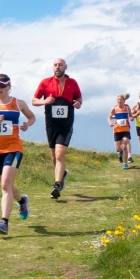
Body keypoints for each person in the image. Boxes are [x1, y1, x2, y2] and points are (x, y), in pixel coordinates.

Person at [0, 73, 36, 235]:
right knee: (6, 185)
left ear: (9, 86)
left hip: (14, 148)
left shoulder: (18, 103)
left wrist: (26, 125)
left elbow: (32, 117)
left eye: (2, 86)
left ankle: (4, 222)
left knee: (4, 185)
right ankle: (22, 200)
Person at [31, 58, 83, 199]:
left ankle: (57, 185)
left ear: (65, 66)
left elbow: (79, 98)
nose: (57, 67)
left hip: (66, 125)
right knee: (54, 157)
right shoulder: (45, 82)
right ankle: (63, 173)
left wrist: (78, 103)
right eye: (55, 65)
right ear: (52, 68)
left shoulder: (72, 83)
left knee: (60, 154)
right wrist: (44, 101)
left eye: (60, 65)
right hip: (51, 124)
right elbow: (34, 100)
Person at [108, 93, 134, 170]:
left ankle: (125, 164)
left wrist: (132, 117)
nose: (119, 101)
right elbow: (109, 117)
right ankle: (120, 152)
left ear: (123, 100)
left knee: (125, 144)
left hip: (126, 130)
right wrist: (110, 122)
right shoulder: (114, 108)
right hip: (117, 130)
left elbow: (131, 115)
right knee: (118, 149)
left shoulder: (127, 107)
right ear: (117, 101)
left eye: (121, 100)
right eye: (118, 100)